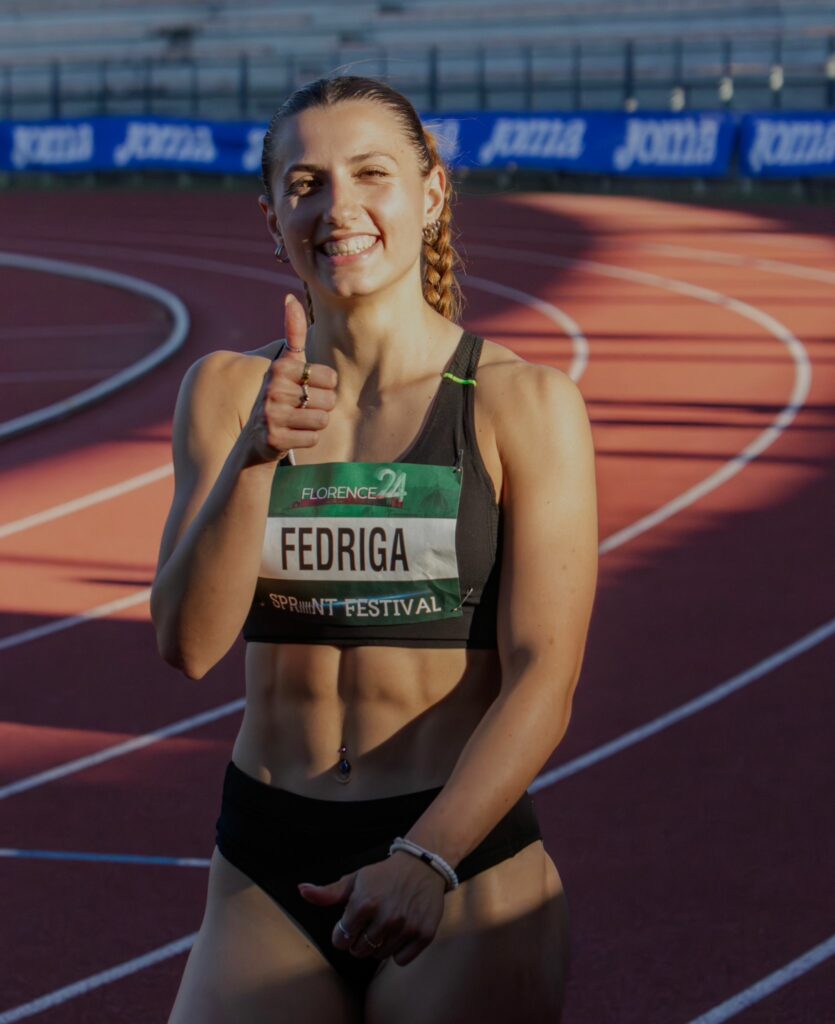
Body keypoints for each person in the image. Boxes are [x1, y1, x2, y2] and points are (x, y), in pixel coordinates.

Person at [151, 75, 598, 1024]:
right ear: (271, 215)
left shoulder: (522, 404)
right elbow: (188, 647)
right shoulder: (227, 393)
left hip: (458, 853)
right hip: (265, 858)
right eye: (305, 183)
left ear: (430, 194)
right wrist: (256, 457)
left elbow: (542, 678)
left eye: (370, 174)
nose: (338, 207)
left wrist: (427, 857)